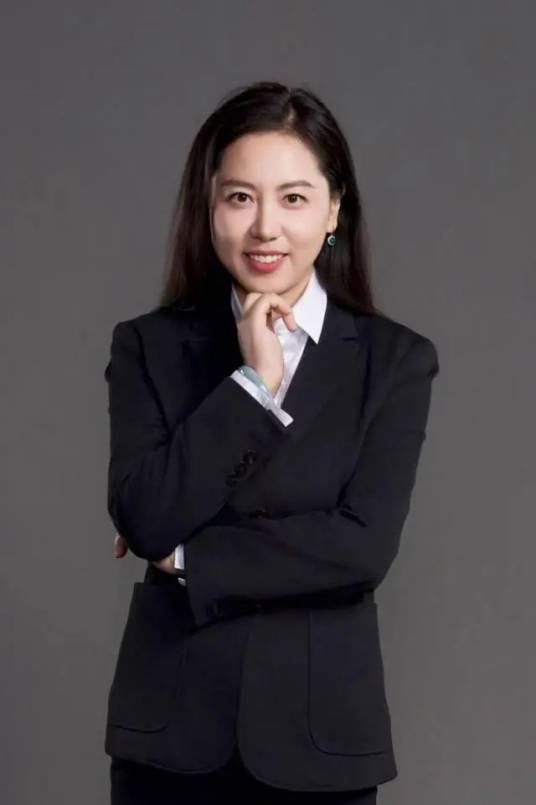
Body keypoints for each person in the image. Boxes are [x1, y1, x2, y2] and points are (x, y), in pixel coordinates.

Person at [103, 80, 440, 804]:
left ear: (333, 209)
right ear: (209, 206)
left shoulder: (395, 361)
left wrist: (188, 556)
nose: (265, 227)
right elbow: (145, 515)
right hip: (169, 734)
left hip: (321, 739)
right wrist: (254, 384)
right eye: (239, 197)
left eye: (293, 198)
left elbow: (362, 547)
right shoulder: (148, 346)